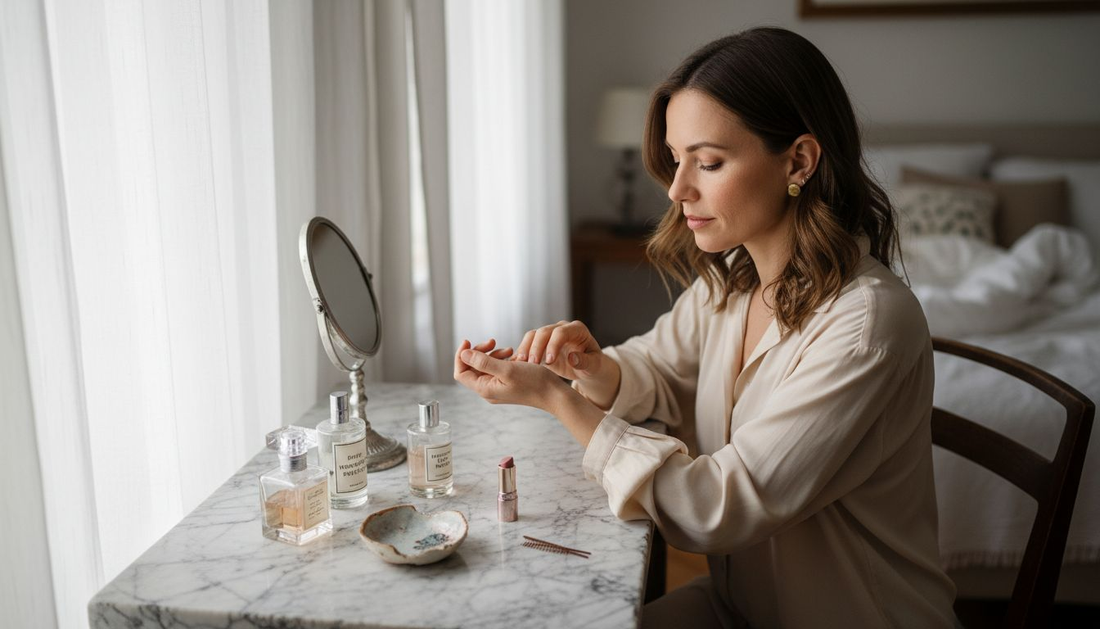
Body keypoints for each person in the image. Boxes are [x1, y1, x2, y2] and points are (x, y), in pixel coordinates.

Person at [453, 26, 957, 628]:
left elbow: (717, 507)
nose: (677, 189)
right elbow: (660, 368)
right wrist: (588, 366)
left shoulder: (866, 326)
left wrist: (558, 399)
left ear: (799, 160)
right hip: (739, 606)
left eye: (709, 162)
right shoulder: (736, 282)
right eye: (676, 160)